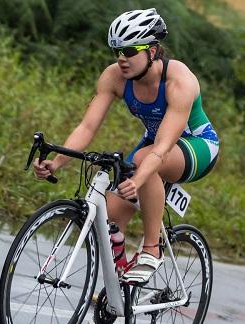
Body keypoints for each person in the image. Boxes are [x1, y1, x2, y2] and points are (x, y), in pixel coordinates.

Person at [33, 7, 219, 292]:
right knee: (111, 216)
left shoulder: (179, 80)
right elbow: (87, 127)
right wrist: (57, 163)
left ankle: (152, 249)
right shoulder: (114, 77)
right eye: (117, 51)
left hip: (196, 146)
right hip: (154, 144)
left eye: (130, 51)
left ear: (153, 51)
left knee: (145, 162)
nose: (121, 59)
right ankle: (117, 297)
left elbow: (163, 147)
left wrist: (139, 178)